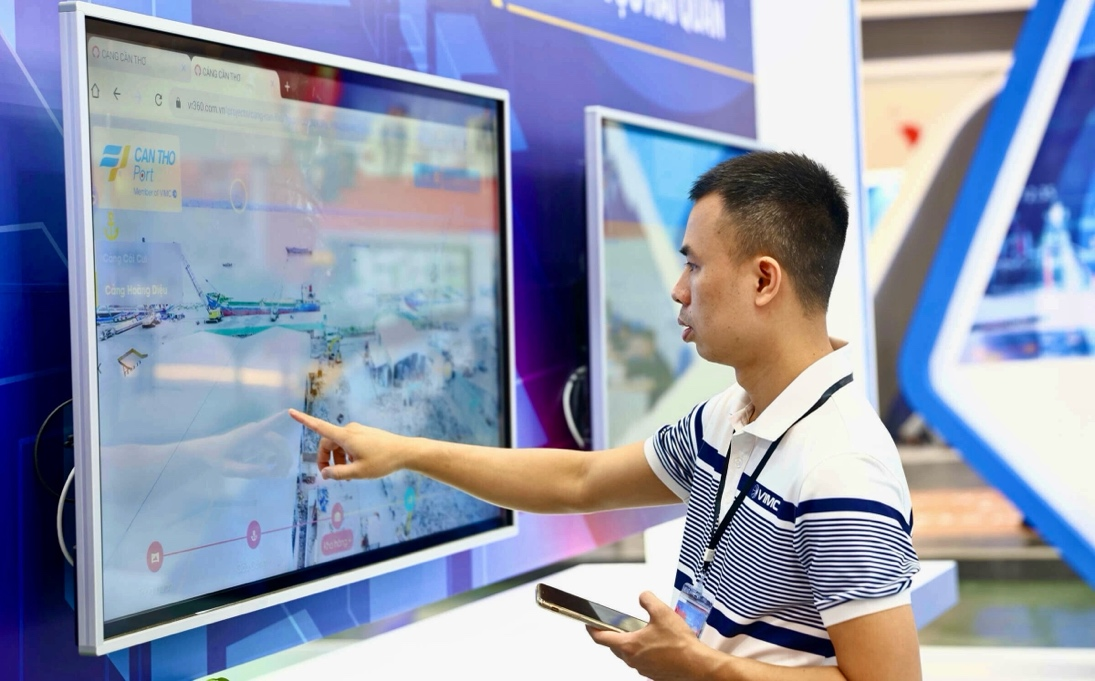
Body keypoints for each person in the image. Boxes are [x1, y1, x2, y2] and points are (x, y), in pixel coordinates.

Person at [288, 151, 922, 680]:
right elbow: (580, 481)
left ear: (763, 281)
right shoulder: (728, 418)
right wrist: (406, 452)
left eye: (695, 265)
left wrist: (701, 667)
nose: (678, 289)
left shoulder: (839, 464)